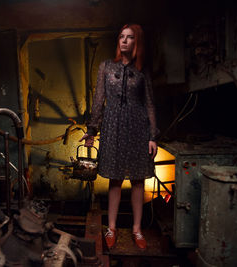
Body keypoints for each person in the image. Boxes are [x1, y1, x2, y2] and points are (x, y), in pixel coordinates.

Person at [80, 23, 159, 250]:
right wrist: (92, 130)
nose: (124, 40)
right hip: (113, 126)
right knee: (115, 179)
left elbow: (150, 103)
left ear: (137, 42)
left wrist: (153, 135)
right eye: (121, 36)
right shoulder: (105, 66)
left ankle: (137, 229)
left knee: (137, 180)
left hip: (138, 127)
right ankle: (111, 227)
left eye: (130, 37)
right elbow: (98, 100)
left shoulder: (143, 70)